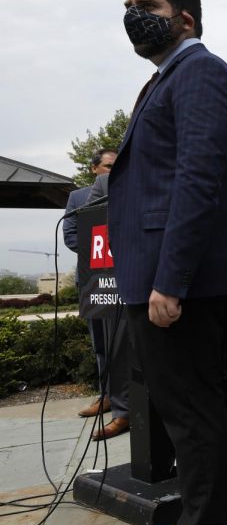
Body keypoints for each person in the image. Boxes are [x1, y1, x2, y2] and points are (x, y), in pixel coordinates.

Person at [107, 0, 227, 525]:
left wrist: (170, 280)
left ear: (184, 17)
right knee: (208, 406)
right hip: (183, 275)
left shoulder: (198, 72)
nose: (131, 15)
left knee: (191, 416)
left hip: (182, 282)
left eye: (145, 4)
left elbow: (197, 180)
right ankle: (223, 520)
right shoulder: (171, 77)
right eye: (127, 5)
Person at [65, 149, 117, 421]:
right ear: (94, 169)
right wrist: (98, 255)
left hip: (127, 280)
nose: (113, 171)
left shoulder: (130, 190)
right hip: (93, 280)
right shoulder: (78, 197)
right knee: (102, 344)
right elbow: (71, 235)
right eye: (109, 166)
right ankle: (106, 394)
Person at [84, 173, 132, 441]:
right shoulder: (105, 183)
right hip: (114, 278)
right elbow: (89, 222)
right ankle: (123, 412)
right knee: (118, 349)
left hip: (161, 271)